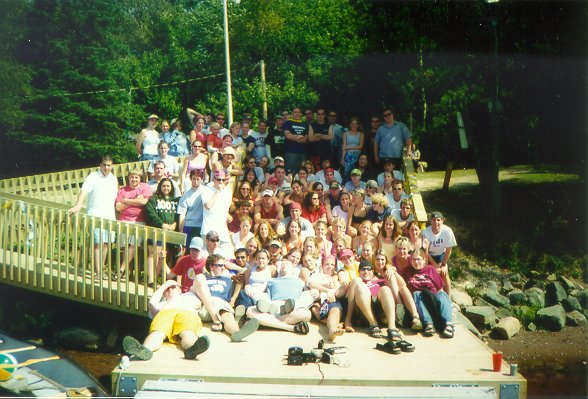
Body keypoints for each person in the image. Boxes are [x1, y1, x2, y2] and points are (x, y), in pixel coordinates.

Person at [122, 280, 210, 360]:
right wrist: (164, 286)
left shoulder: (189, 295)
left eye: (173, 287)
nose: (170, 289)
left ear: (180, 290)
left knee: (187, 332)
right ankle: (145, 350)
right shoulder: (161, 304)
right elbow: (151, 304)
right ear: (163, 293)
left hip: (186, 312)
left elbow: (199, 283)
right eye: (167, 288)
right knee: (157, 333)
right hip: (165, 313)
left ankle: (192, 349)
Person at [68, 155, 118, 280]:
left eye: (109, 165)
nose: (106, 168)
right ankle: (98, 272)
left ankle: (101, 269)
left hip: (109, 216)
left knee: (106, 244)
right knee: (97, 244)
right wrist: (78, 205)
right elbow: (84, 191)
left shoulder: (113, 179)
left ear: (112, 166)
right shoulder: (93, 177)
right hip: (95, 215)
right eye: (104, 165)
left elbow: (115, 198)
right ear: (100, 165)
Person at [192, 254, 260, 341]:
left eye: (223, 265)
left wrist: (233, 299)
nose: (223, 268)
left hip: (221, 305)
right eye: (220, 265)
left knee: (227, 315)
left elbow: (241, 279)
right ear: (211, 267)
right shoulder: (203, 278)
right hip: (205, 307)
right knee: (223, 310)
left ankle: (237, 333)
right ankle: (236, 329)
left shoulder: (228, 279)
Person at [246, 259, 312, 334]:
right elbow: (258, 291)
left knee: (306, 314)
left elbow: (308, 290)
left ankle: (267, 323)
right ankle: (291, 328)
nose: (284, 265)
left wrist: (314, 291)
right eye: (282, 264)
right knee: (250, 311)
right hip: (274, 307)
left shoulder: (299, 281)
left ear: (293, 269)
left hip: (292, 309)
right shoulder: (271, 280)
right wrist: (247, 287)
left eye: (287, 264)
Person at [400, 249, 454, 338]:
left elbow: (440, 289)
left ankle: (448, 324)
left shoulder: (430, 269)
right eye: (413, 259)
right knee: (416, 293)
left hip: (432, 298)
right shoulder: (407, 271)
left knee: (442, 295)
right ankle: (428, 324)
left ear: (424, 260)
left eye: (418, 259)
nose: (416, 262)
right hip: (419, 302)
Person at [115, 169, 153, 280]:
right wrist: (134, 199)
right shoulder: (123, 190)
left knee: (133, 244)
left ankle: (121, 270)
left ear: (140, 179)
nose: (134, 179)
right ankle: (125, 273)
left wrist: (125, 201)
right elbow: (118, 207)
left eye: (136, 177)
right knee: (125, 246)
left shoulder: (144, 187)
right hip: (124, 220)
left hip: (139, 221)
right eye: (132, 177)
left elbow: (144, 202)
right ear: (128, 178)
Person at [145, 178, 179, 285]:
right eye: (164, 186)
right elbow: (150, 212)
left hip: (169, 233)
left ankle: (155, 278)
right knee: (153, 253)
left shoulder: (175, 200)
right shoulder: (154, 198)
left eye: (168, 186)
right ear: (160, 187)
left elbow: (180, 214)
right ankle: (150, 279)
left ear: (172, 187)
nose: (166, 188)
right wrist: (162, 224)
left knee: (163, 255)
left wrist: (175, 223)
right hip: (156, 230)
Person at [307, 256, 345, 341]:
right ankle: (334, 326)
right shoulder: (317, 275)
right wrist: (327, 290)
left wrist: (343, 287)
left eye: (332, 265)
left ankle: (332, 329)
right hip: (318, 302)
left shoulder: (336, 279)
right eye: (327, 264)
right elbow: (311, 284)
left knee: (335, 309)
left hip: (331, 302)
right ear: (322, 266)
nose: (330, 267)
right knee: (315, 308)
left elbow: (339, 294)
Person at [201, 169, 234, 258]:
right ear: (214, 179)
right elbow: (208, 205)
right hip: (208, 229)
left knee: (228, 256)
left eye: (223, 180)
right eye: (218, 179)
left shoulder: (228, 192)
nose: (221, 182)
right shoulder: (205, 190)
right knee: (208, 258)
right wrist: (218, 192)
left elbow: (224, 211)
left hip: (222, 231)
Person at [421, 211, 456, 295]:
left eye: (438, 220)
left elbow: (448, 249)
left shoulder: (447, 231)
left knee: (444, 273)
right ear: (430, 221)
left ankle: (448, 297)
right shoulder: (425, 233)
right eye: (433, 220)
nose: (436, 222)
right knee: (429, 273)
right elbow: (425, 253)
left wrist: (444, 264)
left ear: (442, 221)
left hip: (441, 254)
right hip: (429, 255)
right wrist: (435, 265)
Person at [177, 169, 209, 246]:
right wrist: (181, 231)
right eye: (194, 178)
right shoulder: (185, 196)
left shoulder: (207, 191)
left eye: (198, 179)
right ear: (190, 178)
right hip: (189, 226)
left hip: (202, 226)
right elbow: (182, 215)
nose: (196, 181)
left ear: (202, 179)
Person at [283, 108, 310, 172]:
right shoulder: (288, 123)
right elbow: (288, 135)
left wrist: (295, 138)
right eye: (295, 112)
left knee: (302, 172)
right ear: (292, 114)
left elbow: (306, 138)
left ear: (301, 114)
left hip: (303, 153)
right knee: (292, 172)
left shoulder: (305, 124)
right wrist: (298, 137)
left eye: (298, 112)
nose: (297, 114)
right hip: (291, 152)